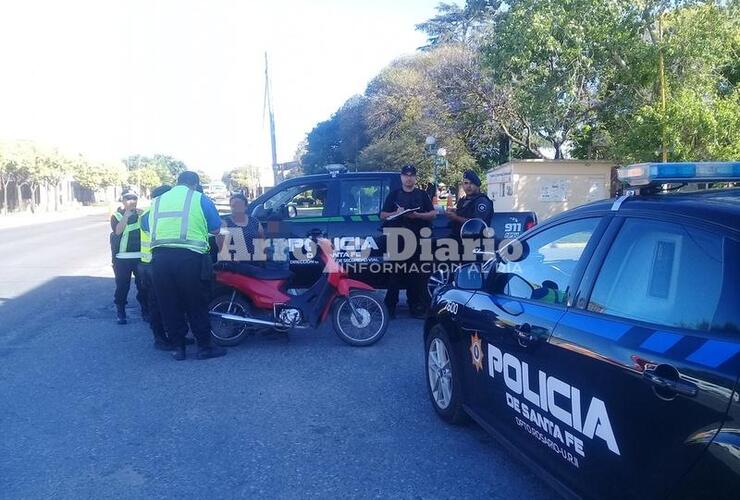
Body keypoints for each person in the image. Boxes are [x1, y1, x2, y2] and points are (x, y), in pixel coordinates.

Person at [140, 171, 226, 361]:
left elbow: (144, 224)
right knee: (195, 302)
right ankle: (204, 347)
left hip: (160, 260)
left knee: (169, 303)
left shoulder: (158, 201)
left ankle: (178, 348)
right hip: (189, 259)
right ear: (194, 184)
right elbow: (215, 228)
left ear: (177, 183)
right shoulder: (200, 199)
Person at [139, 184, 194, 351]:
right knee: (158, 304)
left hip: (158, 264)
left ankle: (178, 336)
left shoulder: (156, 212)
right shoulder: (150, 214)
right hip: (151, 265)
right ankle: (161, 338)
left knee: (173, 302)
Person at [380, 164, 436, 319]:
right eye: (406, 175)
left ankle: (415, 307)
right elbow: (383, 215)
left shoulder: (422, 195)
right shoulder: (394, 195)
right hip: (397, 238)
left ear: (415, 177)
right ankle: (390, 308)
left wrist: (418, 215)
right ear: (401, 177)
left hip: (417, 239)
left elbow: (432, 213)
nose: (409, 178)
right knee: (394, 275)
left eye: (412, 175)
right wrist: (396, 213)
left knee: (416, 276)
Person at [110, 190, 145, 325]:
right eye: (128, 199)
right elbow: (118, 231)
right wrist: (126, 215)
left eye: (134, 198)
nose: (131, 201)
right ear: (122, 200)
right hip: (122, 258)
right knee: (122, 285)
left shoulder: (142, 214)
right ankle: (121, 311)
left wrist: (142, 216)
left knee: (143, 286)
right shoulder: (117, 215)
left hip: (140, 256)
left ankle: (145, 309)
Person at [446, 170, 493, 240]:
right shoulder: (463, 200)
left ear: (477, 185)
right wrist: (454, 211)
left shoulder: (482, 201)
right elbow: (465, 213)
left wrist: (456, 217)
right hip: (458, 237)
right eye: (466, 183)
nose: (468, 186)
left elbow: (476, 224)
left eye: (472, 183)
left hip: (474, 240)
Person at [217, 193, 264, 261]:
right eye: (233, 206)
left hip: (254, 263)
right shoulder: (224, 224)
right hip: (234, 265)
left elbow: (261, 241)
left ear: (245, 207)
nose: (236, 209)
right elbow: (221, 247)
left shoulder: (254, 222)